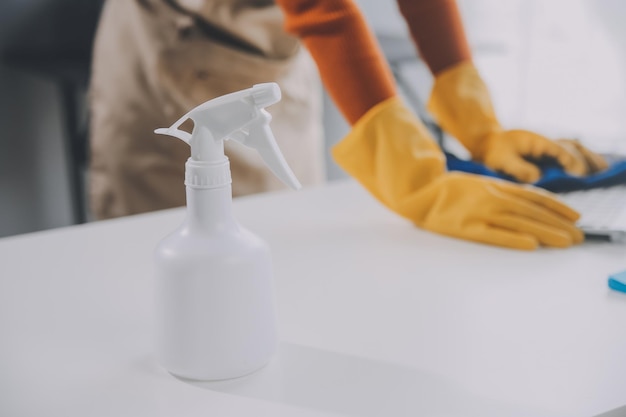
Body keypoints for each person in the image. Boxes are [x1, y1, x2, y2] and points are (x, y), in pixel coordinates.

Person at [89, 0, 607, 250]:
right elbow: (321, 9)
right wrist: (416, 179)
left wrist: (476, 120)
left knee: (287, 249)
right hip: (176, 44)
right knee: (168, 256)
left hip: (269, 52)